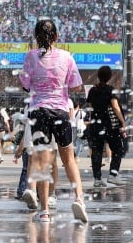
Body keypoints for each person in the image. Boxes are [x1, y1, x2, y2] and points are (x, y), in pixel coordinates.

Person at [19, 19, 89, 224]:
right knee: (68, 158)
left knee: (43, 161)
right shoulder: (66, 57)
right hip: (60, 111)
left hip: (39, 111)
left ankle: (44, 212)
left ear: (36, 37)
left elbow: (25, 83)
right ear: (56, 37)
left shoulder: (31, 56)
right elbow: (76, 85)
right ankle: (79, 199)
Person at [85, 65, 126, 187]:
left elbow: (91, 108)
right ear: (109, 77)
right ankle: (113, 175)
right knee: (118, 149)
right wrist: (123, 122)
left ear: (98, 76)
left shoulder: (93, 90)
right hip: (110, 125)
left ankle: (97, 179)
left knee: (96, 151)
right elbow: (115, 106)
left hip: (96, 125)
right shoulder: (110, 90)